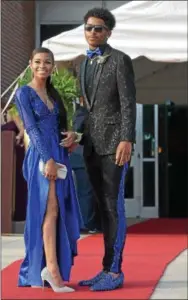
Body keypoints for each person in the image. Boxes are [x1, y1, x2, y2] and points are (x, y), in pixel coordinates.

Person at [71, 8, 136, 291]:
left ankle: (115, 271)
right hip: (92, 146)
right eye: (88, 28)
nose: (93, 32)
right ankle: (104, 268)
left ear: (109, 31)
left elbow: (128, 103)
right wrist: (77, 132)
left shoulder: (120, 60)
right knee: (100, 209)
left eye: (98, 28)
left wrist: (127, 138)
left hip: (114, 146)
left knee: (113, 207)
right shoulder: (83, 63)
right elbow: (85, 107)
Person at [14, 47, 83, 292]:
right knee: (49, 210)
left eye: (48, 62)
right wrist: (48, 160)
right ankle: (51, 270)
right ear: (31, 64)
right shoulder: (24, 93)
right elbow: (31, 129)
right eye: (38, 62)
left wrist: (73, 137)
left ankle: (49, 267)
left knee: (57, 210)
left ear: (53, 66)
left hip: (59, 154)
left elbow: (61, 127)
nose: (43, 66)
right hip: (43, 157)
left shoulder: (53, 95)